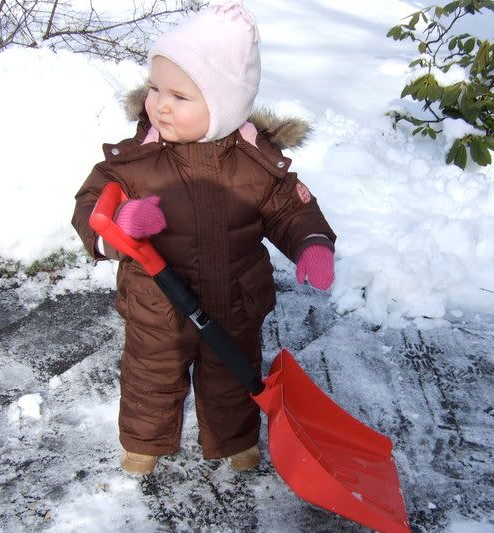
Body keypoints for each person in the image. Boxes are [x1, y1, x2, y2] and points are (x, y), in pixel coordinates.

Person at [71, 0, 336, 475]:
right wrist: (122, 225)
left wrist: (312, 242)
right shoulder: (135, 162)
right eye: (155, 88)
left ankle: (235, 443)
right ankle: (143, 446)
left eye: (180, 95)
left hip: (234, 303)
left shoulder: (255, 164)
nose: (160, 104)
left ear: (224, 104)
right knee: (150, 380)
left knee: (232, 378)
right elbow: (90, 208)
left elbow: (291, 208)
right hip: (158, 306)